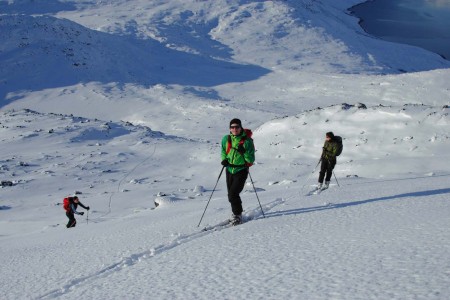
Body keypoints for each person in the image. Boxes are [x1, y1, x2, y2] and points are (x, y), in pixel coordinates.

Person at [221, 118, 255, 225]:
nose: (234, 129)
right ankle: (236, 213)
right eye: (232, 127)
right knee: (231, 194)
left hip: (241, 170)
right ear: (230, 129)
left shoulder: (247, 141)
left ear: (240, 128)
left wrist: (244, 152)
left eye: (237, 127)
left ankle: (237, 215)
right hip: (229, 169)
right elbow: (223, 151)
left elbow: (251, 159)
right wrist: (224, 159)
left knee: (233, 193)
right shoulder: (226, 139)